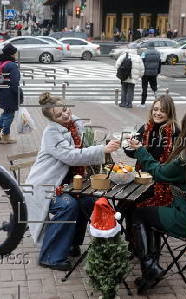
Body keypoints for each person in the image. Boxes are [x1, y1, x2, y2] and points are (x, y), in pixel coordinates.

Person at [128, 107, 186, 294]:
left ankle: (149, 264)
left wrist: (141, 151)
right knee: (153, 210)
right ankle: (151, 265)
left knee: (138, 212)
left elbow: (160, 173)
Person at [24, 92, 121, 271]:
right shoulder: (51, 132)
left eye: (66, 110)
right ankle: (50, 256)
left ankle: (71, 245)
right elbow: (70, 156)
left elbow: (86, 144)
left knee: (88, 200)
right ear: (52, 119)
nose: (66, 115)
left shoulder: (75, 123)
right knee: (68, 205)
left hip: (70, 183)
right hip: (46, 185)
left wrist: (103, 144)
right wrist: (102, 150)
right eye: (59, 115)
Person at [123, 95, 180, 253]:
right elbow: (135, 153)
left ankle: (145, 247)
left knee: (133, 203)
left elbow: (169, 165)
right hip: (143, 179)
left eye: (163, 110)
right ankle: (134, 241)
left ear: (170, 112)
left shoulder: (175, 132)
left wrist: (141, 151)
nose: (158, 113)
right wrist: (128, 147)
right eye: (155, 109)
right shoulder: (146, 127)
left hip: (163, 182)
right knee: (124, 203)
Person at [0, 43, 21, 144]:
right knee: (10, 114)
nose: (15, 55)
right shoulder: (11, 65)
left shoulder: (0, 62)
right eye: (14, 53)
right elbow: (15, 82)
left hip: (1, 92)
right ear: (11, 54)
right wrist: (18, 95)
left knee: (6, 113)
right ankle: (5, 136)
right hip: (10, 94)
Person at [139, 42, 161, 108]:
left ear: (148, 46)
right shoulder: (158, 53)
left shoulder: (144, 53)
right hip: (154, 73)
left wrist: (141, 72)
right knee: (154, 87)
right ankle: (157, 100)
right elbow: (160, 63)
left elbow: (141, 62)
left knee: (144, 88)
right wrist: (158, 71)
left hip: (145, 73)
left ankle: (143, 103)